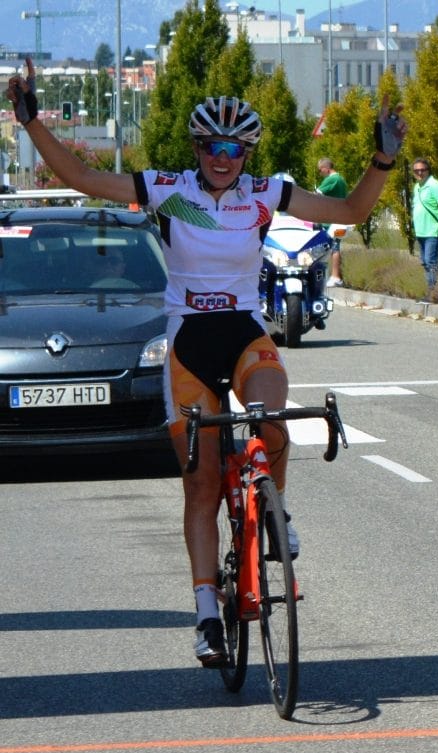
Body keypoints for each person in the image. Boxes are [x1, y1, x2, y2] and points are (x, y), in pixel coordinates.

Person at [6, 57, 408, 668]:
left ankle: (276, 511)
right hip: (190, 342)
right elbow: (84, 177)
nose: (223, 156)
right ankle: (204, 616)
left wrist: (381, 161)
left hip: (245, 332)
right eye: (212, 145)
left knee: (273, 415)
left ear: (247, 151)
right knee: (201, 484)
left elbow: (351, 212)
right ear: (198, 147)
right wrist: (30, 120)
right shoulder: (169, 191)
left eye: (235, 146)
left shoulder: (267, 193)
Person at [411, 157, 438, 300]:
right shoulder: (417, 187)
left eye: (422, 170)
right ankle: (431, 290)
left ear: (428, 171)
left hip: (433, 231)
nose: (420, 173)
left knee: (431, 261)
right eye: (416, 170)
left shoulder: (435, 186)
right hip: (421, 231)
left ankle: (433, 293)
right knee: (424, 262)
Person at [316, 157, 348, 287]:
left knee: (333, 247)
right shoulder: (341, 180)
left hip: (333, 222)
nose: (320, 174)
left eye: (320, 170)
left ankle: (335, 277)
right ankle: (337, 276)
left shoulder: (332, 179)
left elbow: (316, 194)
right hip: (340, 219)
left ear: (325, 168)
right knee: (335, 247)